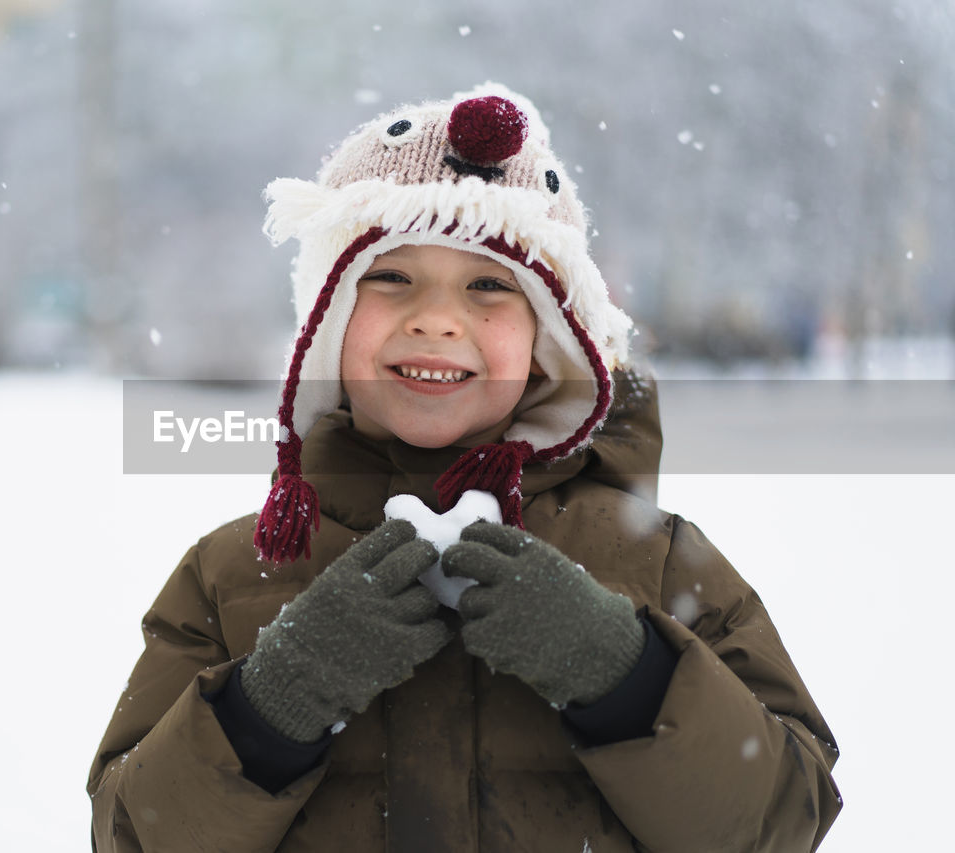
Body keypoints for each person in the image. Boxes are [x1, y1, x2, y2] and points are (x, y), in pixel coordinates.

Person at [86, 83, 841, 852]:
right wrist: (277, 697)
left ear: (552, 338)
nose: (437, 317)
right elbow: (130, 835)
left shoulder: (660, 559)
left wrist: (625, 674)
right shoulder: (230, 573)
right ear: (328, 318)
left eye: (489, 285)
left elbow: (782, 819)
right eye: (390, 277)